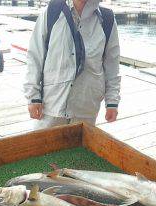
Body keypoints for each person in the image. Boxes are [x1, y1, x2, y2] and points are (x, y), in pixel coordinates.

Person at [24, 0, 121, 130]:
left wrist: (112, 102)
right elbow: (35, 56)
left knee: (79, 150)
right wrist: (33, 97)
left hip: (86, 108)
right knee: (41, 148)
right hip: (51, 105)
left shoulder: (107, 19)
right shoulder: (52, 11)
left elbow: (112, 65)